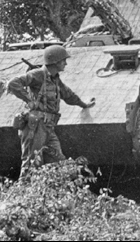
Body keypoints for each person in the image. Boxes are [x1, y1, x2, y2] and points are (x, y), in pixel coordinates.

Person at [7, 45, 95, 177]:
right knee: (31, 164)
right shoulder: (38, 75)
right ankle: (23, 193)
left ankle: (52, 192)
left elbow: (68, 95)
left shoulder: (55, 79)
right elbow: (12, 83)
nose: (65, 63)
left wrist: (84, 104)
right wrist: (28, 100)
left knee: (59, 161)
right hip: (35, 126)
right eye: (63, 60)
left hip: (47, 127)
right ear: (55, 62)